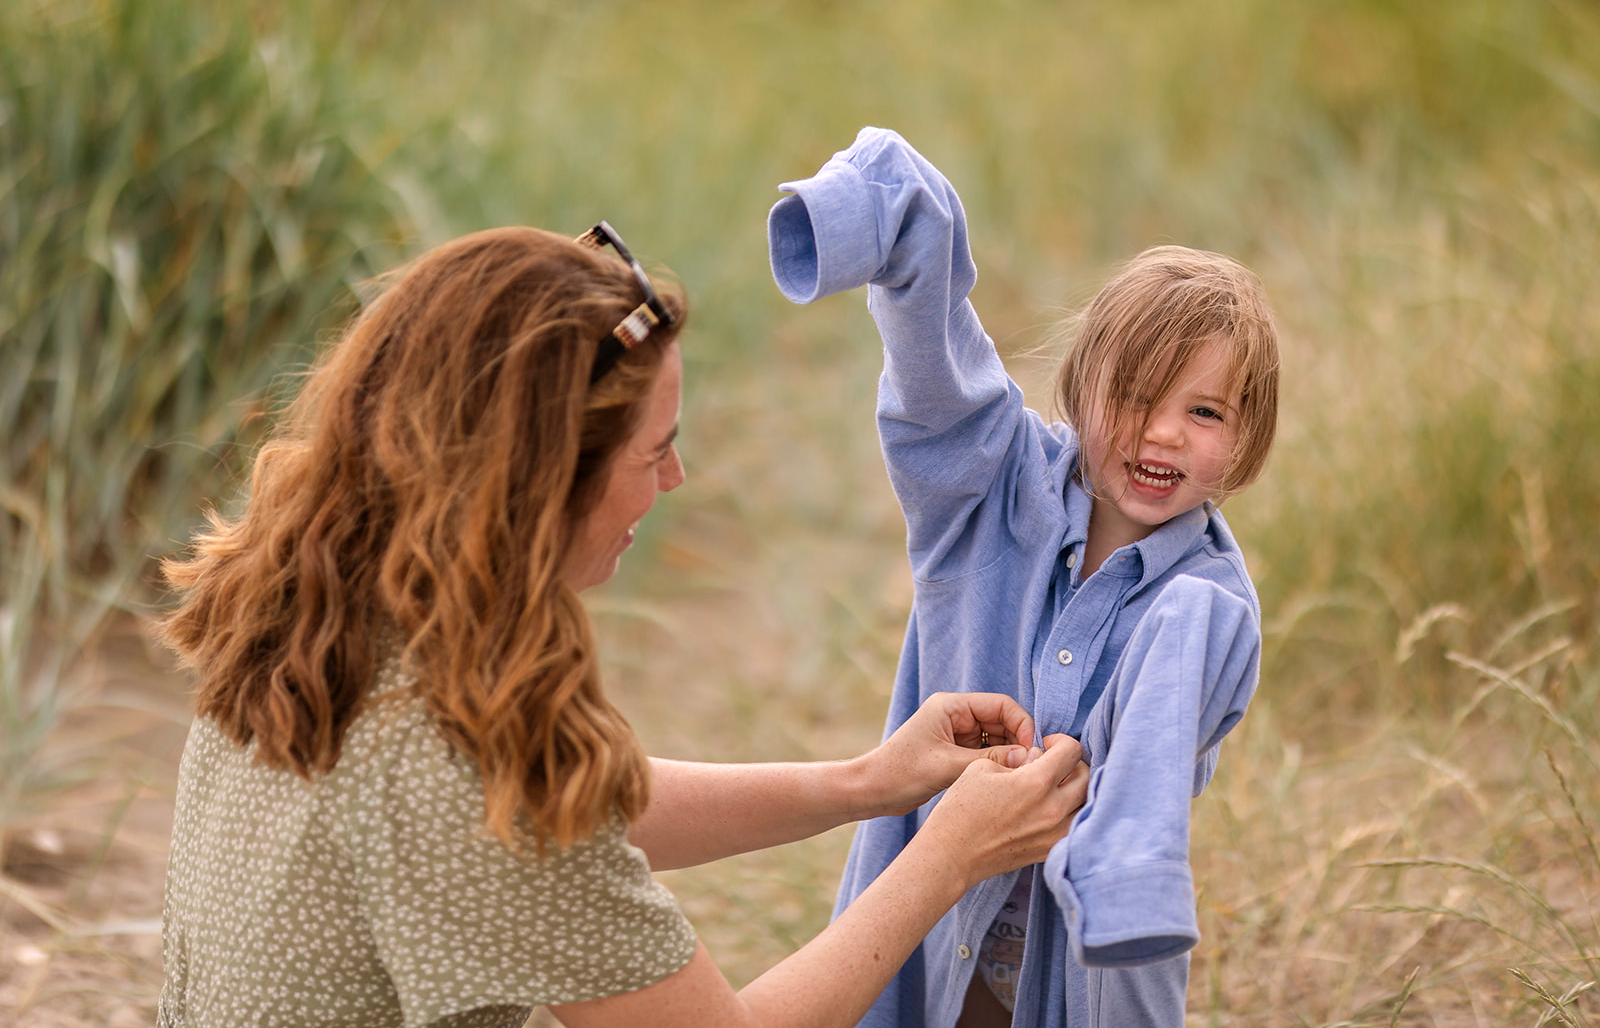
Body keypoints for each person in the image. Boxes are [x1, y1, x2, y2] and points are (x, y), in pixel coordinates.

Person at [154, 222, 1093, 1028]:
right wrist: (950, 855)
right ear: (537, 483)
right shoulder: (463, 762)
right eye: (655, 449)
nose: (673, 480)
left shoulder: (311, 610)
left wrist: (865, 782)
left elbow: (571, 813)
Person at [766, 128, 1280, 1028]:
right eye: (1134, 398)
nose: (1162, 435)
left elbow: (1166, 715)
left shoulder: (1209, 605)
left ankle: (1131, 881)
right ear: (1079, 392)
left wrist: (1127, 876)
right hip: (926, 949)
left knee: (1191, 614)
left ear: (1246, 439)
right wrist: (886, 217)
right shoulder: (990, 491)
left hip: (1075, 972)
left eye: (1203, 411)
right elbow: (943, 382)